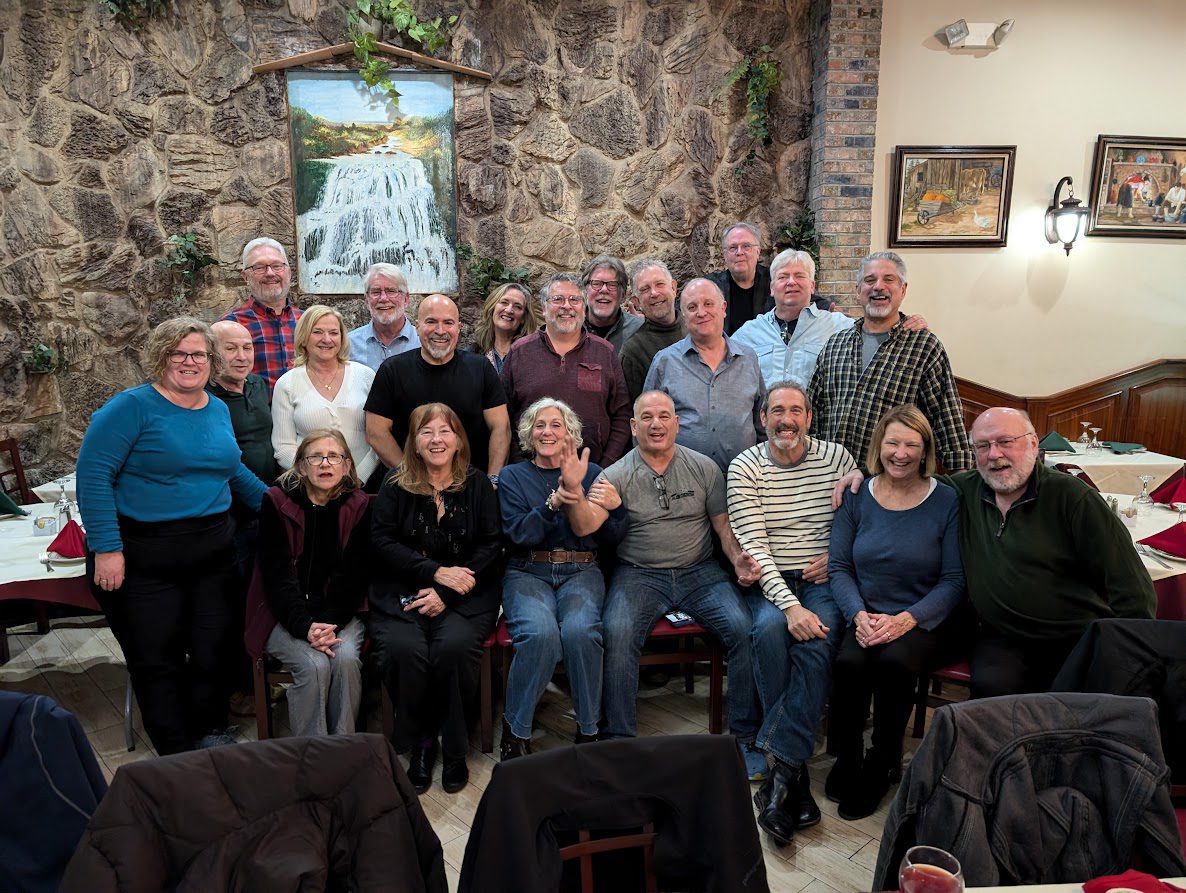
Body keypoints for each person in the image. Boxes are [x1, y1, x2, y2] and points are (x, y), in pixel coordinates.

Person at [77, 317, 267, 754]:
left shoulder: (216, 409)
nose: (188, 361)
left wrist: (283, 506)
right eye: (177, 353)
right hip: (145, 554)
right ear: (159, 358)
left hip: (213, 552)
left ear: (211, 361)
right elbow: (93, 475)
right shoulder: (130, 407)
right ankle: (174, 748)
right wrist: (106, 547)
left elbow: (231, 470)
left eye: (198, 354)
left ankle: (209, 725)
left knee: (212, 646)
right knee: (155, 656)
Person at [585, 391, 766, 776]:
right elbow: (589, 527)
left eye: (664, 416)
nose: (656, 424)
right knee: (616, 630)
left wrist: (738, 561)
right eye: (646, 417)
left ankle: (746, 737)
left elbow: (723, 529)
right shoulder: (614, 475)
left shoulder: (704, 468)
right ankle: (618, 740)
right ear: (633, 427)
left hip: (700, 572)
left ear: (677, 423)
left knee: (743, 626)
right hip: (638, 573)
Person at [727, 381, 856, 845]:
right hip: (771, 579)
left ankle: (780, 767)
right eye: (777, 410)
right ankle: (794, 774)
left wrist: (839, 554)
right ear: (763, 419)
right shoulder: (745, 466)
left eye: (796, 410)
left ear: (809, 417)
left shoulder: (839, 459)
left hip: (823, 578)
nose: (787, 419)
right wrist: (791, 605)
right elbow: (754, 547)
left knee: (818, 643)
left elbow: (860, 518)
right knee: (767, 629)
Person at [949, 407, 1155, 697]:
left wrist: (1128, 657)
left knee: (1082, 705)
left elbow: (1131, 587)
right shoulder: (963, 490)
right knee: (991, 694)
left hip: (1074, 638)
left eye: (1005, 442)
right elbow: (909, 485)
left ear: (1033, 443)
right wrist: (861, 476)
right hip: (1002, 636)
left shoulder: (1073, 498)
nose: (994, 454)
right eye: (982, 446)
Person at [826, 404, 966, 821]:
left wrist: (906, 619)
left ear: (925, 450)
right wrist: (857, 615)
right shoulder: (857, 496)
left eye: (911, 444)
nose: (900, 453)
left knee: (893, 664)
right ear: (878, 446)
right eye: (892, 443)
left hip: (924, 615)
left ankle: (883, 761)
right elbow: (839, 567)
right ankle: (847, 756)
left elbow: (954, 580)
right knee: (849, 661)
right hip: (867, 611)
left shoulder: (946, 499)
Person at [369, 404, 502, 795]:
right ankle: (423, 742)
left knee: (455, 648)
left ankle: (455, 748)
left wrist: (446, 590)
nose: (437, 440)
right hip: (402, 587)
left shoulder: (477, 484)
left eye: (445, 431)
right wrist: (433, 574)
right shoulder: (396, 484)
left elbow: (492, 544)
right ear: (413, 442)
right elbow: (381, 542)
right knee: (402, 649)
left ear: (459, 439)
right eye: (426, 433)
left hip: (466, 591)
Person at [496, 398, 627, 759]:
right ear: (528, 434)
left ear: (570, 434)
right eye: (540, 425)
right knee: (539, 635)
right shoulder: (512, 476)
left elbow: (613, 536)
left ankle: (588, 731)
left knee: (581, 631)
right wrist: (554, 503)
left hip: (582, 570)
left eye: (557, 425)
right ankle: (515, 731)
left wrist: (616, 509)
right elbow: (518, 535)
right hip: (527, 571)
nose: (547, 432)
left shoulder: (594, 472)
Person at [808, 251, 974, 473]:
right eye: (869, 280)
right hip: (831, 480)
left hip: (891, 482)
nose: (878, 287)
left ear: (903, 289)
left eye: (889, 279)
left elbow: (946, 418)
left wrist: (963, 479)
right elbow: (815, 414)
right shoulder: (835, 345)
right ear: (858, 290)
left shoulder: (924, 347)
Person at [254, 429, 370, 738]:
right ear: (301, 466)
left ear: (346, 465)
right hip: (284, 614)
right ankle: (312, 756)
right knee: (314, 665)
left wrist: (329, 623)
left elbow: (355, 577)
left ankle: (343, 748)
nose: (324, 463)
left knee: (345, 661)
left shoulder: (358, 505)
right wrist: (304, 626)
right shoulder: (276, 501)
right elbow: (277, 577)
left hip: (339, 614)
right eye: (315, 456)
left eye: (334, 456)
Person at [208, 319, 278, 716]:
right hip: (232, 513)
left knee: (263, 592)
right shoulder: (206, 397)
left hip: (266, 508)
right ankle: (240, 687)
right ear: (213, 354)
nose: (241, 356)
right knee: (236, 598)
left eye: (247, 348)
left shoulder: (259, 385)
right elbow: (227, 463)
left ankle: (264, 673)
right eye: (231, 349)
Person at [366, 294, 511, 483]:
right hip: (410, 488)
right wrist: (410, 477)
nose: (440, 330)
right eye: (431, 322)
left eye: (448, 323)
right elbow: (376, 432)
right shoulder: (392, 370)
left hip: (472, 489)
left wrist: (492, 480)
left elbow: (501, 427)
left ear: (458, 328)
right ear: (417, 327)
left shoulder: (481, 368)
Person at [732, 249, 927, 389]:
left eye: (800, 276)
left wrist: (909, 324)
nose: (791, 282)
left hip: (819, 437)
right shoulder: (748, 333)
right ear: (772, 288)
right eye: (783, 277)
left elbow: (879, 327)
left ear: (812, 286)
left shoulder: (840, 326)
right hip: (764, 437)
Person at [500, 273, 631, 466]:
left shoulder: (604, 352)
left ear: (584, 309)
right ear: (544, 308)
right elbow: (504, 417)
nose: (566, 306)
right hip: (532, 473)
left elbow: (622, 415)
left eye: (574, 300)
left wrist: (606, 467)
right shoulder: (520, 352)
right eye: (558, 299)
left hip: (593, 473)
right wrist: (521, 466)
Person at [643, 278, 765, 473]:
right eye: (692, 307)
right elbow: (645, 427)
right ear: (683, 315)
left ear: (723, 308)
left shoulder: (748, 358)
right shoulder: (665, 362)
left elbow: (761, 421)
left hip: (743, 481)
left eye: (708, 304)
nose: (701, 312)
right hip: (684, 484)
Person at [271, 305, 379, 488]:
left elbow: (379, 437)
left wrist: (359, 477)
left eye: (334, 333)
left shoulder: (366, 377)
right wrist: (313, 477)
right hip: (309, 487)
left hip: (363, 486)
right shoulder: (287, 384)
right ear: (304, 337)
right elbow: (283, 447)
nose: (327, 339)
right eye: (318, 332)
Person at [221, 237, 302, 394]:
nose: (270, 273)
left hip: (306, 415)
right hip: (258, 415)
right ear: (245, 277)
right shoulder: (231, 325)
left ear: (289, 272)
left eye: (277, 266)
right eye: (259, 267)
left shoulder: (308, 322)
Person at [618, 260, 685, 401]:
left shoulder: (697, 330)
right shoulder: (633, 351)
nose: (654, 293)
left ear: (673, 287)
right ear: (636, 301)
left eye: (659, 284)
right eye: (645, 289)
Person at [347, 263, 420, 371]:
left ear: (406, 299)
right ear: (367, 300)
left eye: (391, 291)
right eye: (376, 292)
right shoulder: (349, 345)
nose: (384, 298)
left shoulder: (422, 342)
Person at [469, 282, 540, 373]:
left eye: (517, 306)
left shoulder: (533, 356)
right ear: (492, 308)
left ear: (523, 318)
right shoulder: (472, 353)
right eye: (504, 302)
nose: (509, 310)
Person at [580, 255, 641, 352]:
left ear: (623, 296)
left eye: (612, 285)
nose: (604, 290)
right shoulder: (569, 328)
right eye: (596, 283)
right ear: (585, 291)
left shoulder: (639, 331)